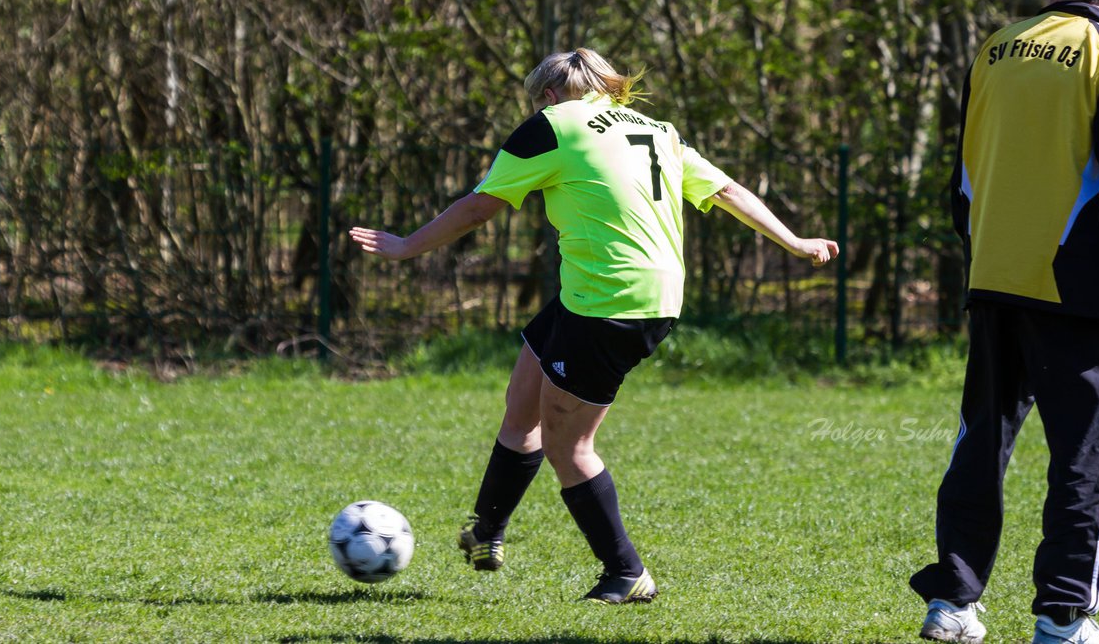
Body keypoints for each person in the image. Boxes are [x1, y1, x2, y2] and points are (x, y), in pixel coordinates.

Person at [350, 48, 838, 603]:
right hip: (633, 292)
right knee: (522, 403)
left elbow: (481, 206)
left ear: (550, 95)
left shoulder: (552, 126)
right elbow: (725, 190)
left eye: (540, 98)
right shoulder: (659, 131)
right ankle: (487, 531)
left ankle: (627, 572)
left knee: (569, 443)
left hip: (609, 301)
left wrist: (408, 245)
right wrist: (795, 241)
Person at [911, 0, 1099, 644]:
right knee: (1088, 453)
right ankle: (1063, 618)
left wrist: (983, 256)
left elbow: (961, 177)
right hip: (1083, 284)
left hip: (995, 277)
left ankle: (953, 602)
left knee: (980, 444)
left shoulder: (995, 47)